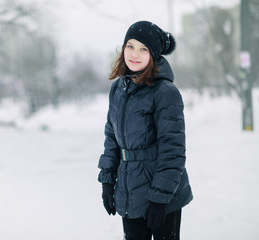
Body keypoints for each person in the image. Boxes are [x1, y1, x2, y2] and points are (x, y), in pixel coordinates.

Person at [98, 20, 193, 240]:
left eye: (143, 49)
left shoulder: (165, 92)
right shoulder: (118, 89)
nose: (134, 54)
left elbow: (173, 151)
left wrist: (160, 199)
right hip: (129, 191)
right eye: (130, 46)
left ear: (154, 55)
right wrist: (107, 180)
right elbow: (112, 138)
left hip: (162, 196)